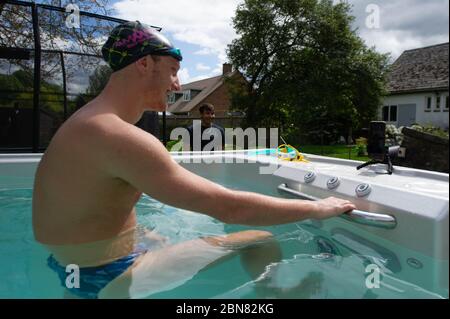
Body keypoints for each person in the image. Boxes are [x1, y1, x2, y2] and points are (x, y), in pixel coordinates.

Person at [32, 21, 356, 299]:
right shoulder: (120, 137)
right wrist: (318, 207)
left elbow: (88, 205)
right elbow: (230, 208)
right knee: (261, 241)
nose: (177, 85)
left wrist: (139, 232)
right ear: (144, 64)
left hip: (74, 269)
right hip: (110, 275)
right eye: (173, 71)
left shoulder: (83, 123)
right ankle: (274, 296)